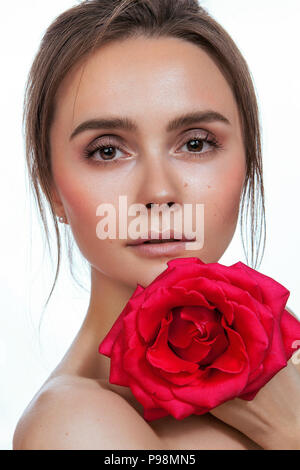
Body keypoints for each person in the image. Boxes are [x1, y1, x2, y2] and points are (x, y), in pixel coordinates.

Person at [13, 0, 300, 450]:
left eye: (196, 143)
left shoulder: (289, 367)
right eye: (107, 150)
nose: (160, 191)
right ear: (50, 186)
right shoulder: (73, 425)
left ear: (248, 162)